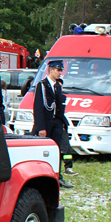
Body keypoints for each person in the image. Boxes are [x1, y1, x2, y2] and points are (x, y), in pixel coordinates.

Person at [32, 59, 74, 188]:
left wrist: (63, 123)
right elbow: (38, 107)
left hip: (56, 121)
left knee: (57, 150)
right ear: (51, 70)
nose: (60, 73)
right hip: (46, 122)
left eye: (61, 70)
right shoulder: (42, 85)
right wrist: (41, 127)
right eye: (58, 70)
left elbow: (60, 106)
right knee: (43, 151)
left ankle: (58, 177)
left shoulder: (57, 86)